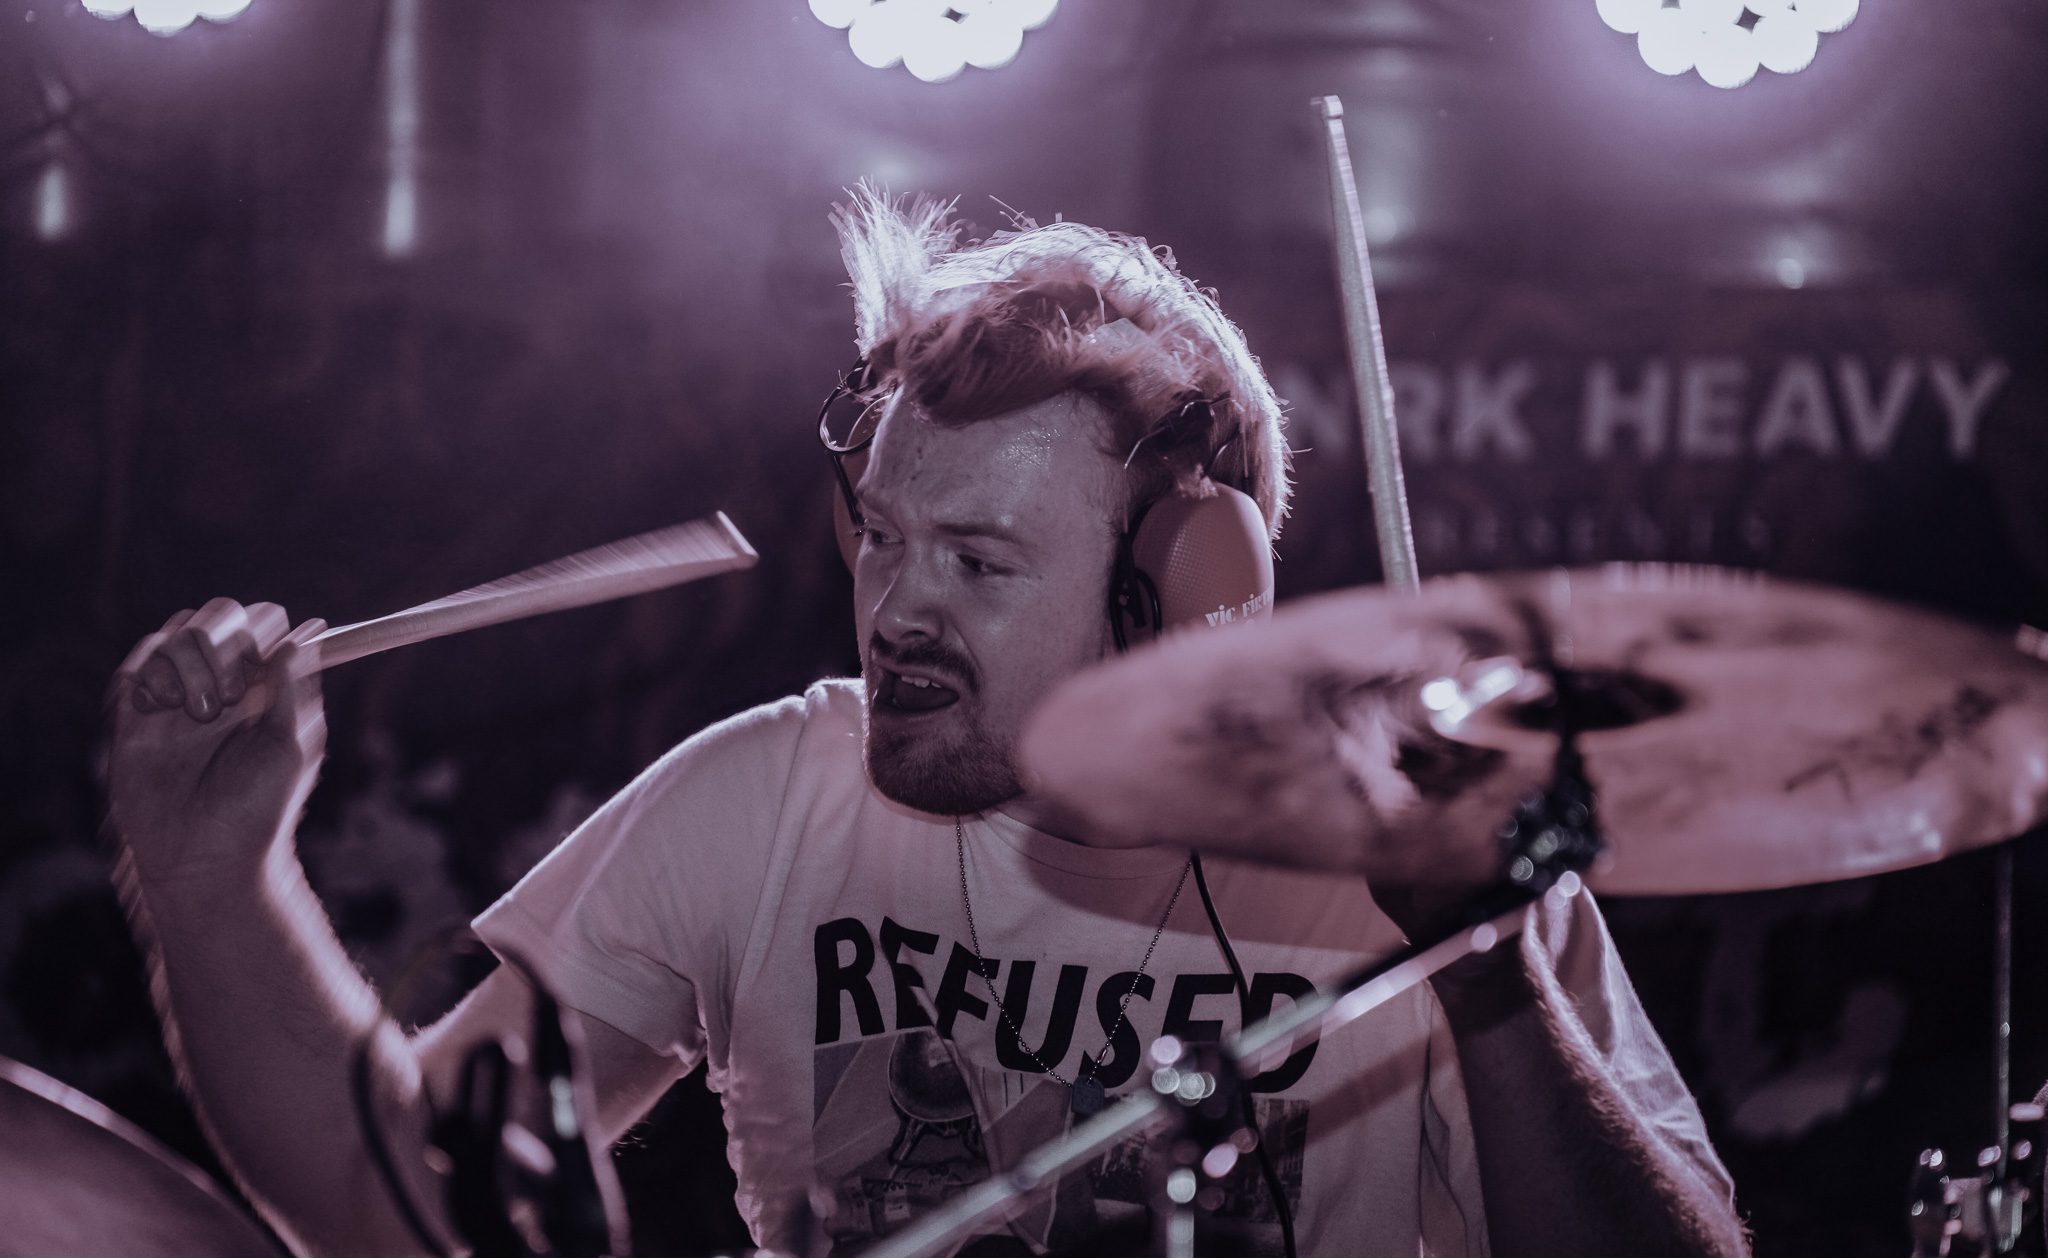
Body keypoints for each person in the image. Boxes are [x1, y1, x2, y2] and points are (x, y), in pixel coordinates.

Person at [103, 192, 1747, 1258]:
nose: (895, 606)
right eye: (882, 535)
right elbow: (393, 1202)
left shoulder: (1425, 862)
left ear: (1184, 591)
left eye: (977, 559)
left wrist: (1488, 973)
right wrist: (210, 876)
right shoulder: (770, 800)